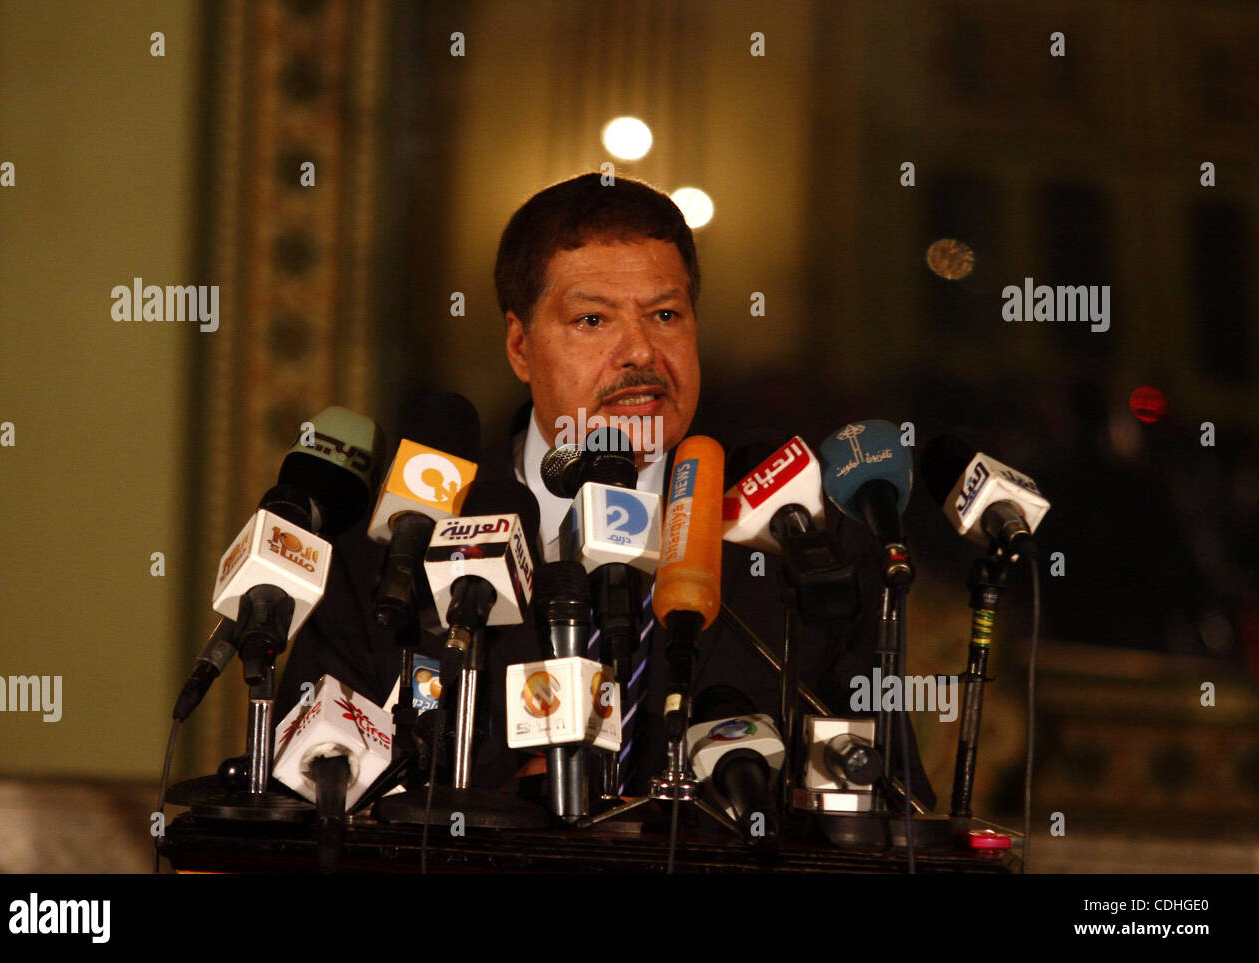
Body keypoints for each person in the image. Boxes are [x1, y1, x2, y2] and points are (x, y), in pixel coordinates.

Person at [276, 172, 936, 809]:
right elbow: (304, 808)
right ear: (519, 346)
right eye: (593, 320)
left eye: (666, 313)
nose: (642, 351)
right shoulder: (393, 551)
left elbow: (895, 811)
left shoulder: (805, 550)